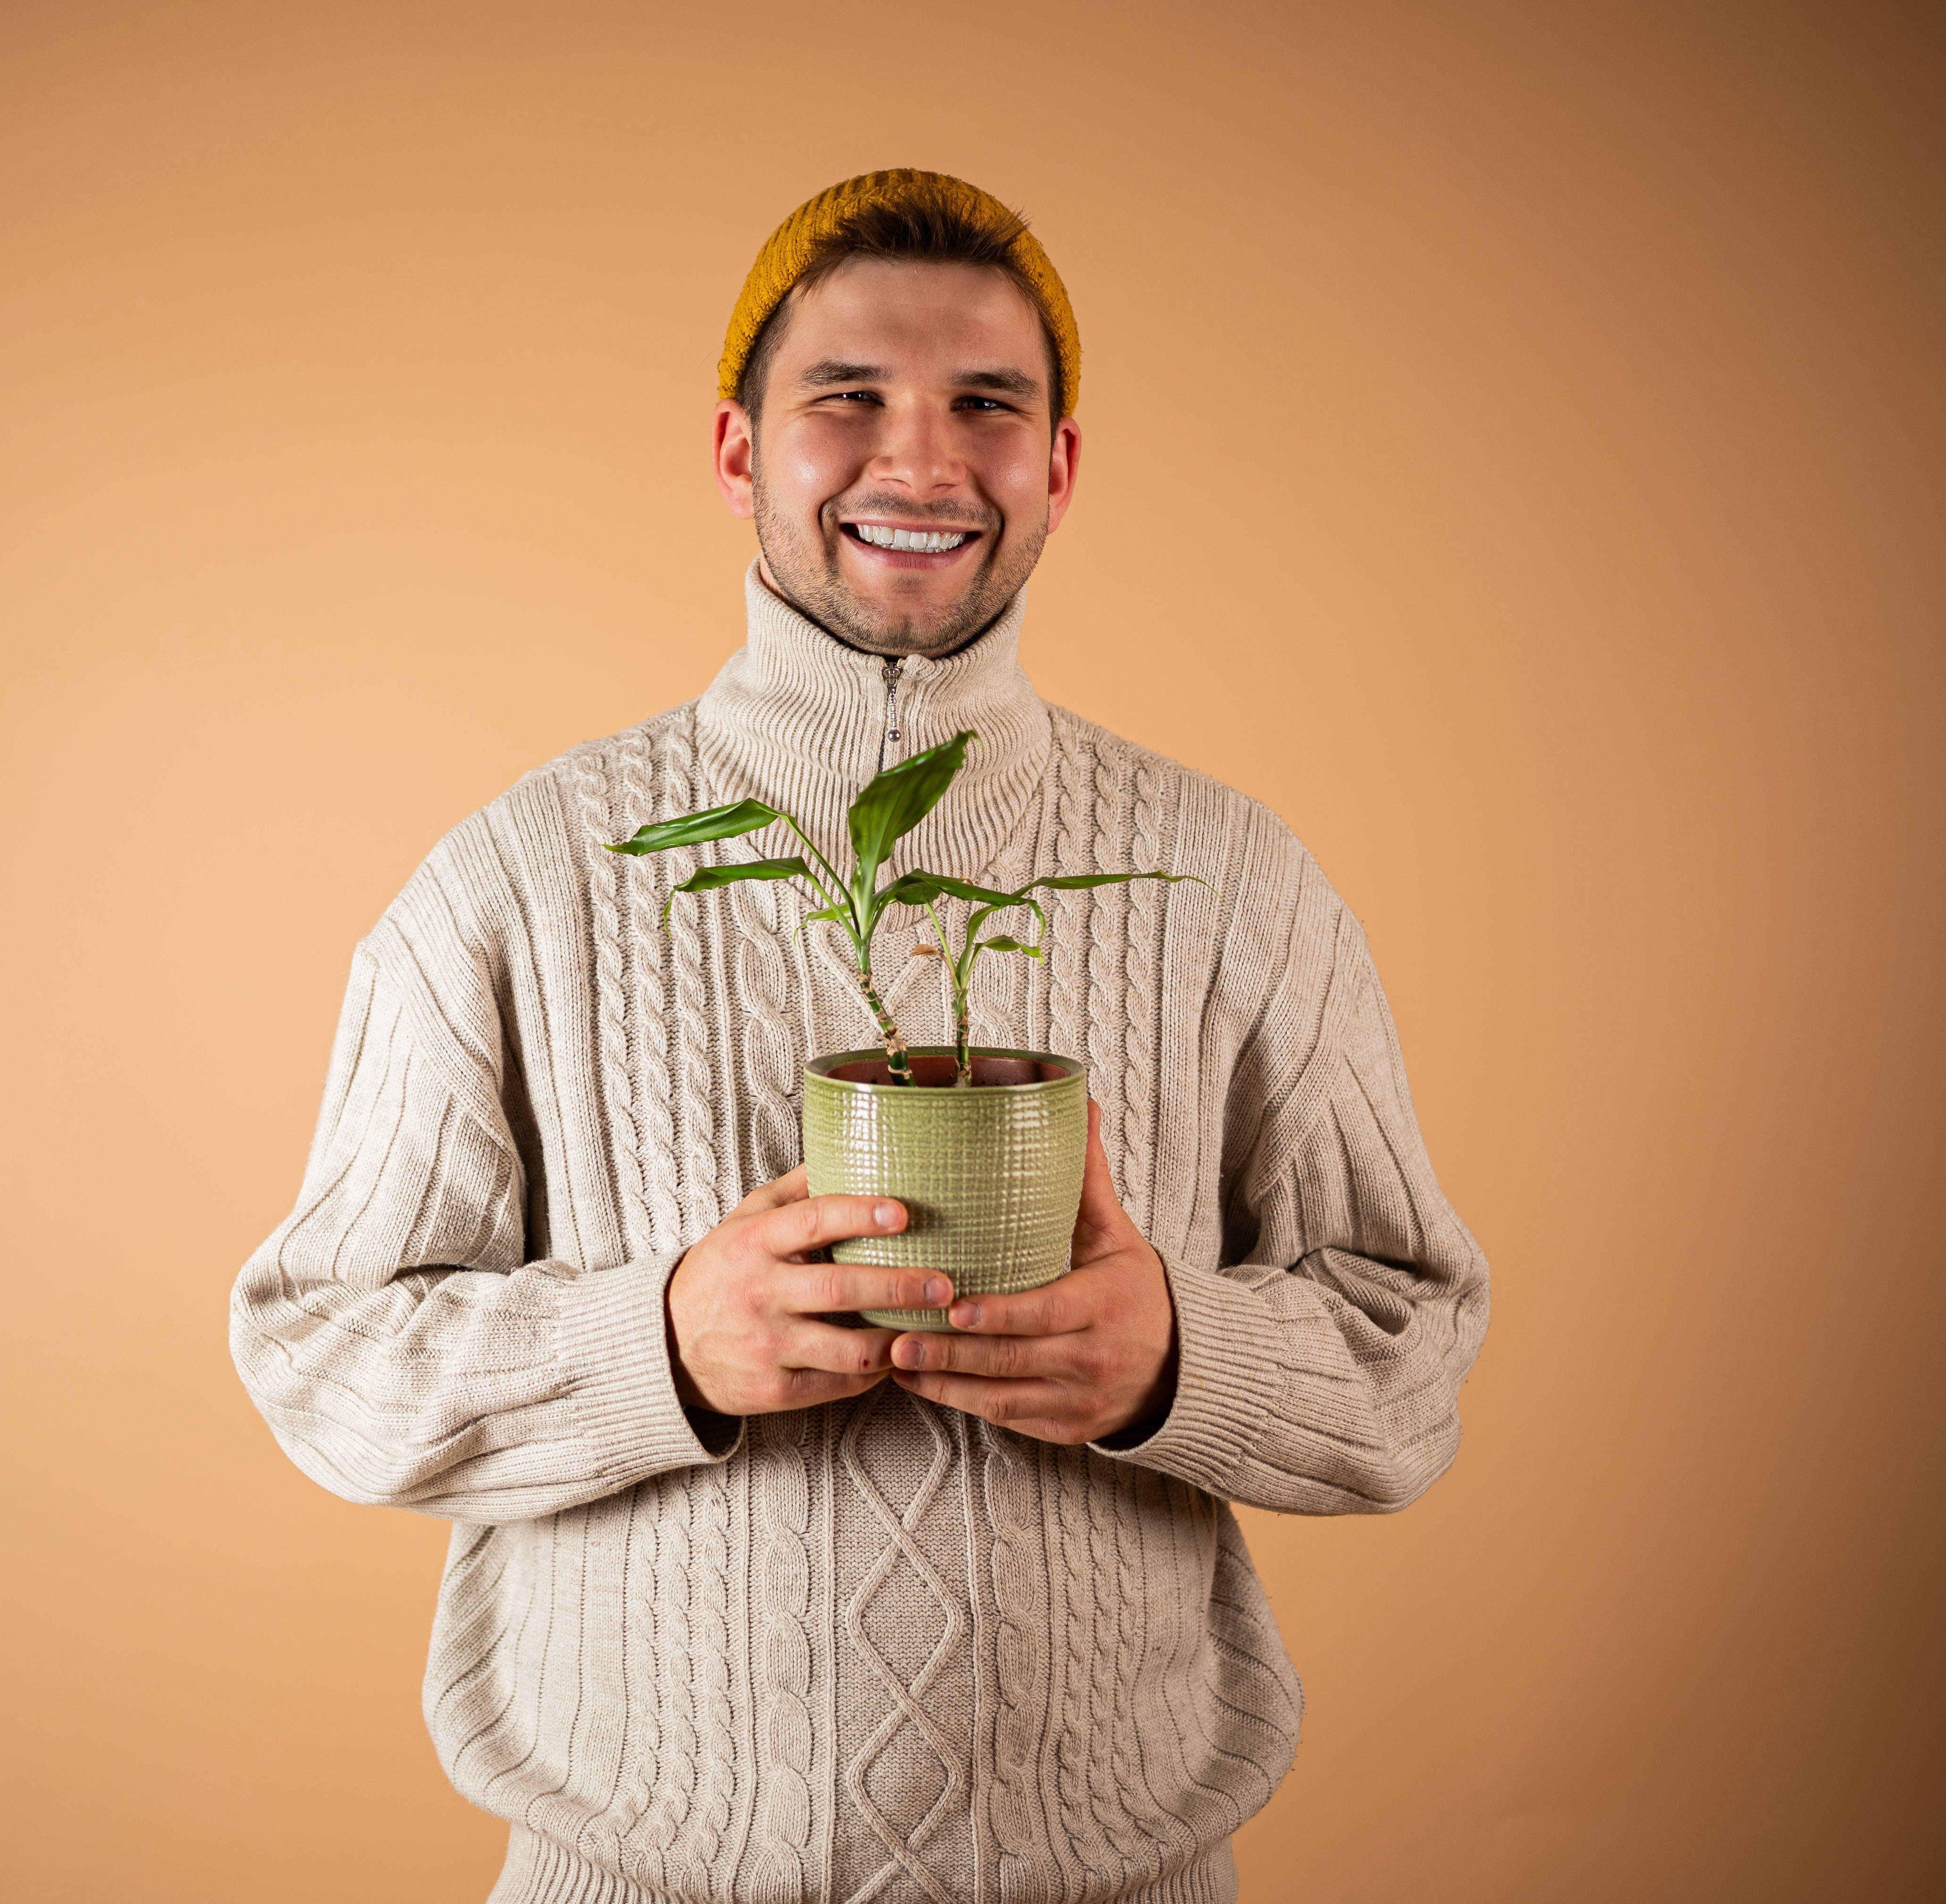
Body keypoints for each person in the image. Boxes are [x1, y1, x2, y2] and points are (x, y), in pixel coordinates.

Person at [229, 169, 1488, 1904]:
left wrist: (1180, 1364)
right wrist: (655, 1348)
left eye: (988, 404)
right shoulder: (525, 875)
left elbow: (1411, 1345)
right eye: (849, 401)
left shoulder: (1229, 880)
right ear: (741, 453)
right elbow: (319, 1346)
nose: (921, 462)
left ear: (1060, 466)